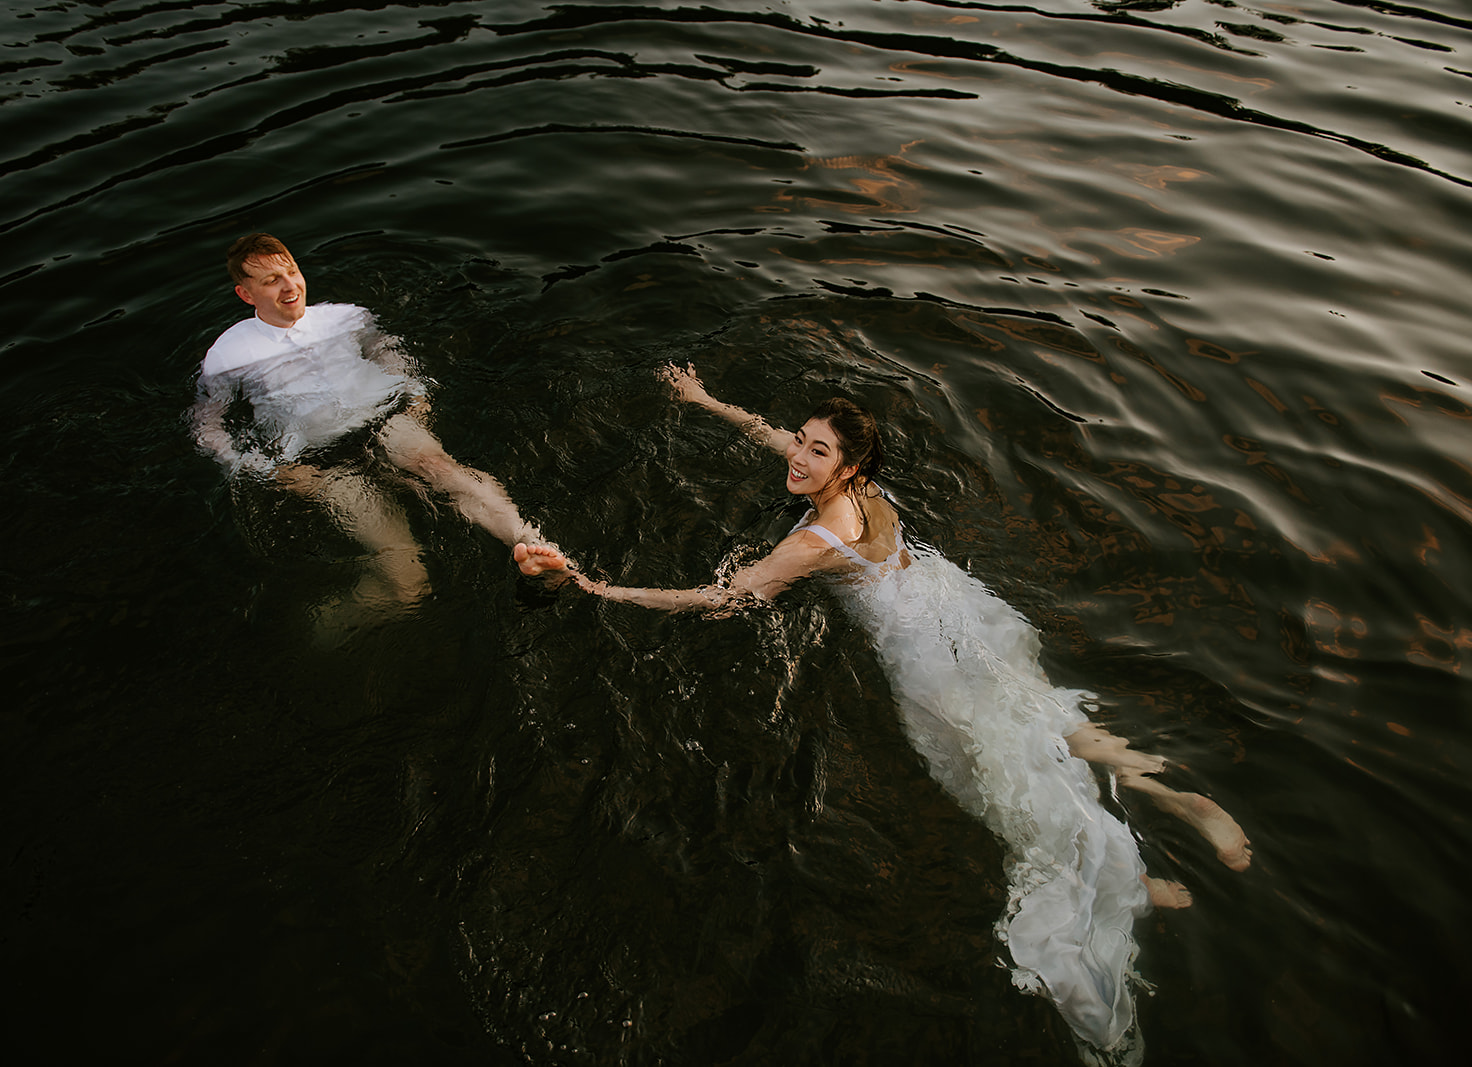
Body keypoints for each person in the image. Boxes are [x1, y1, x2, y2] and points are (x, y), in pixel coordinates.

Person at [516, 367, 1251, 1055]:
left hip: (926, 660)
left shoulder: (813, 542)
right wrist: (706, 402)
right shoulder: (865, 493)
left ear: (848, 466)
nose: (798, 456)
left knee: (998, 783)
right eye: (800, 440)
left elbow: (718, 601)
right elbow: (775, 438)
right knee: (1050, 720)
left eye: (816, 450)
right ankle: (1170, 798)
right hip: (963, 608)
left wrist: (597, 588)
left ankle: (1117, 876)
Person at [193, 233, 556, 627]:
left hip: (384, 417)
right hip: (319, 459)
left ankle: (533, 547)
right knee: (407, 577)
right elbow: (207, 426)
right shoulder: (228, 356)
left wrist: (416, 392)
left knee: (440, 469)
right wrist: (263, 469)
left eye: (292, 272)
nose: (289, 286)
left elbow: (387, 349)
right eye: (271, 281)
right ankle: (324, 624)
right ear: (246, 294)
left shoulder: (346, 317)